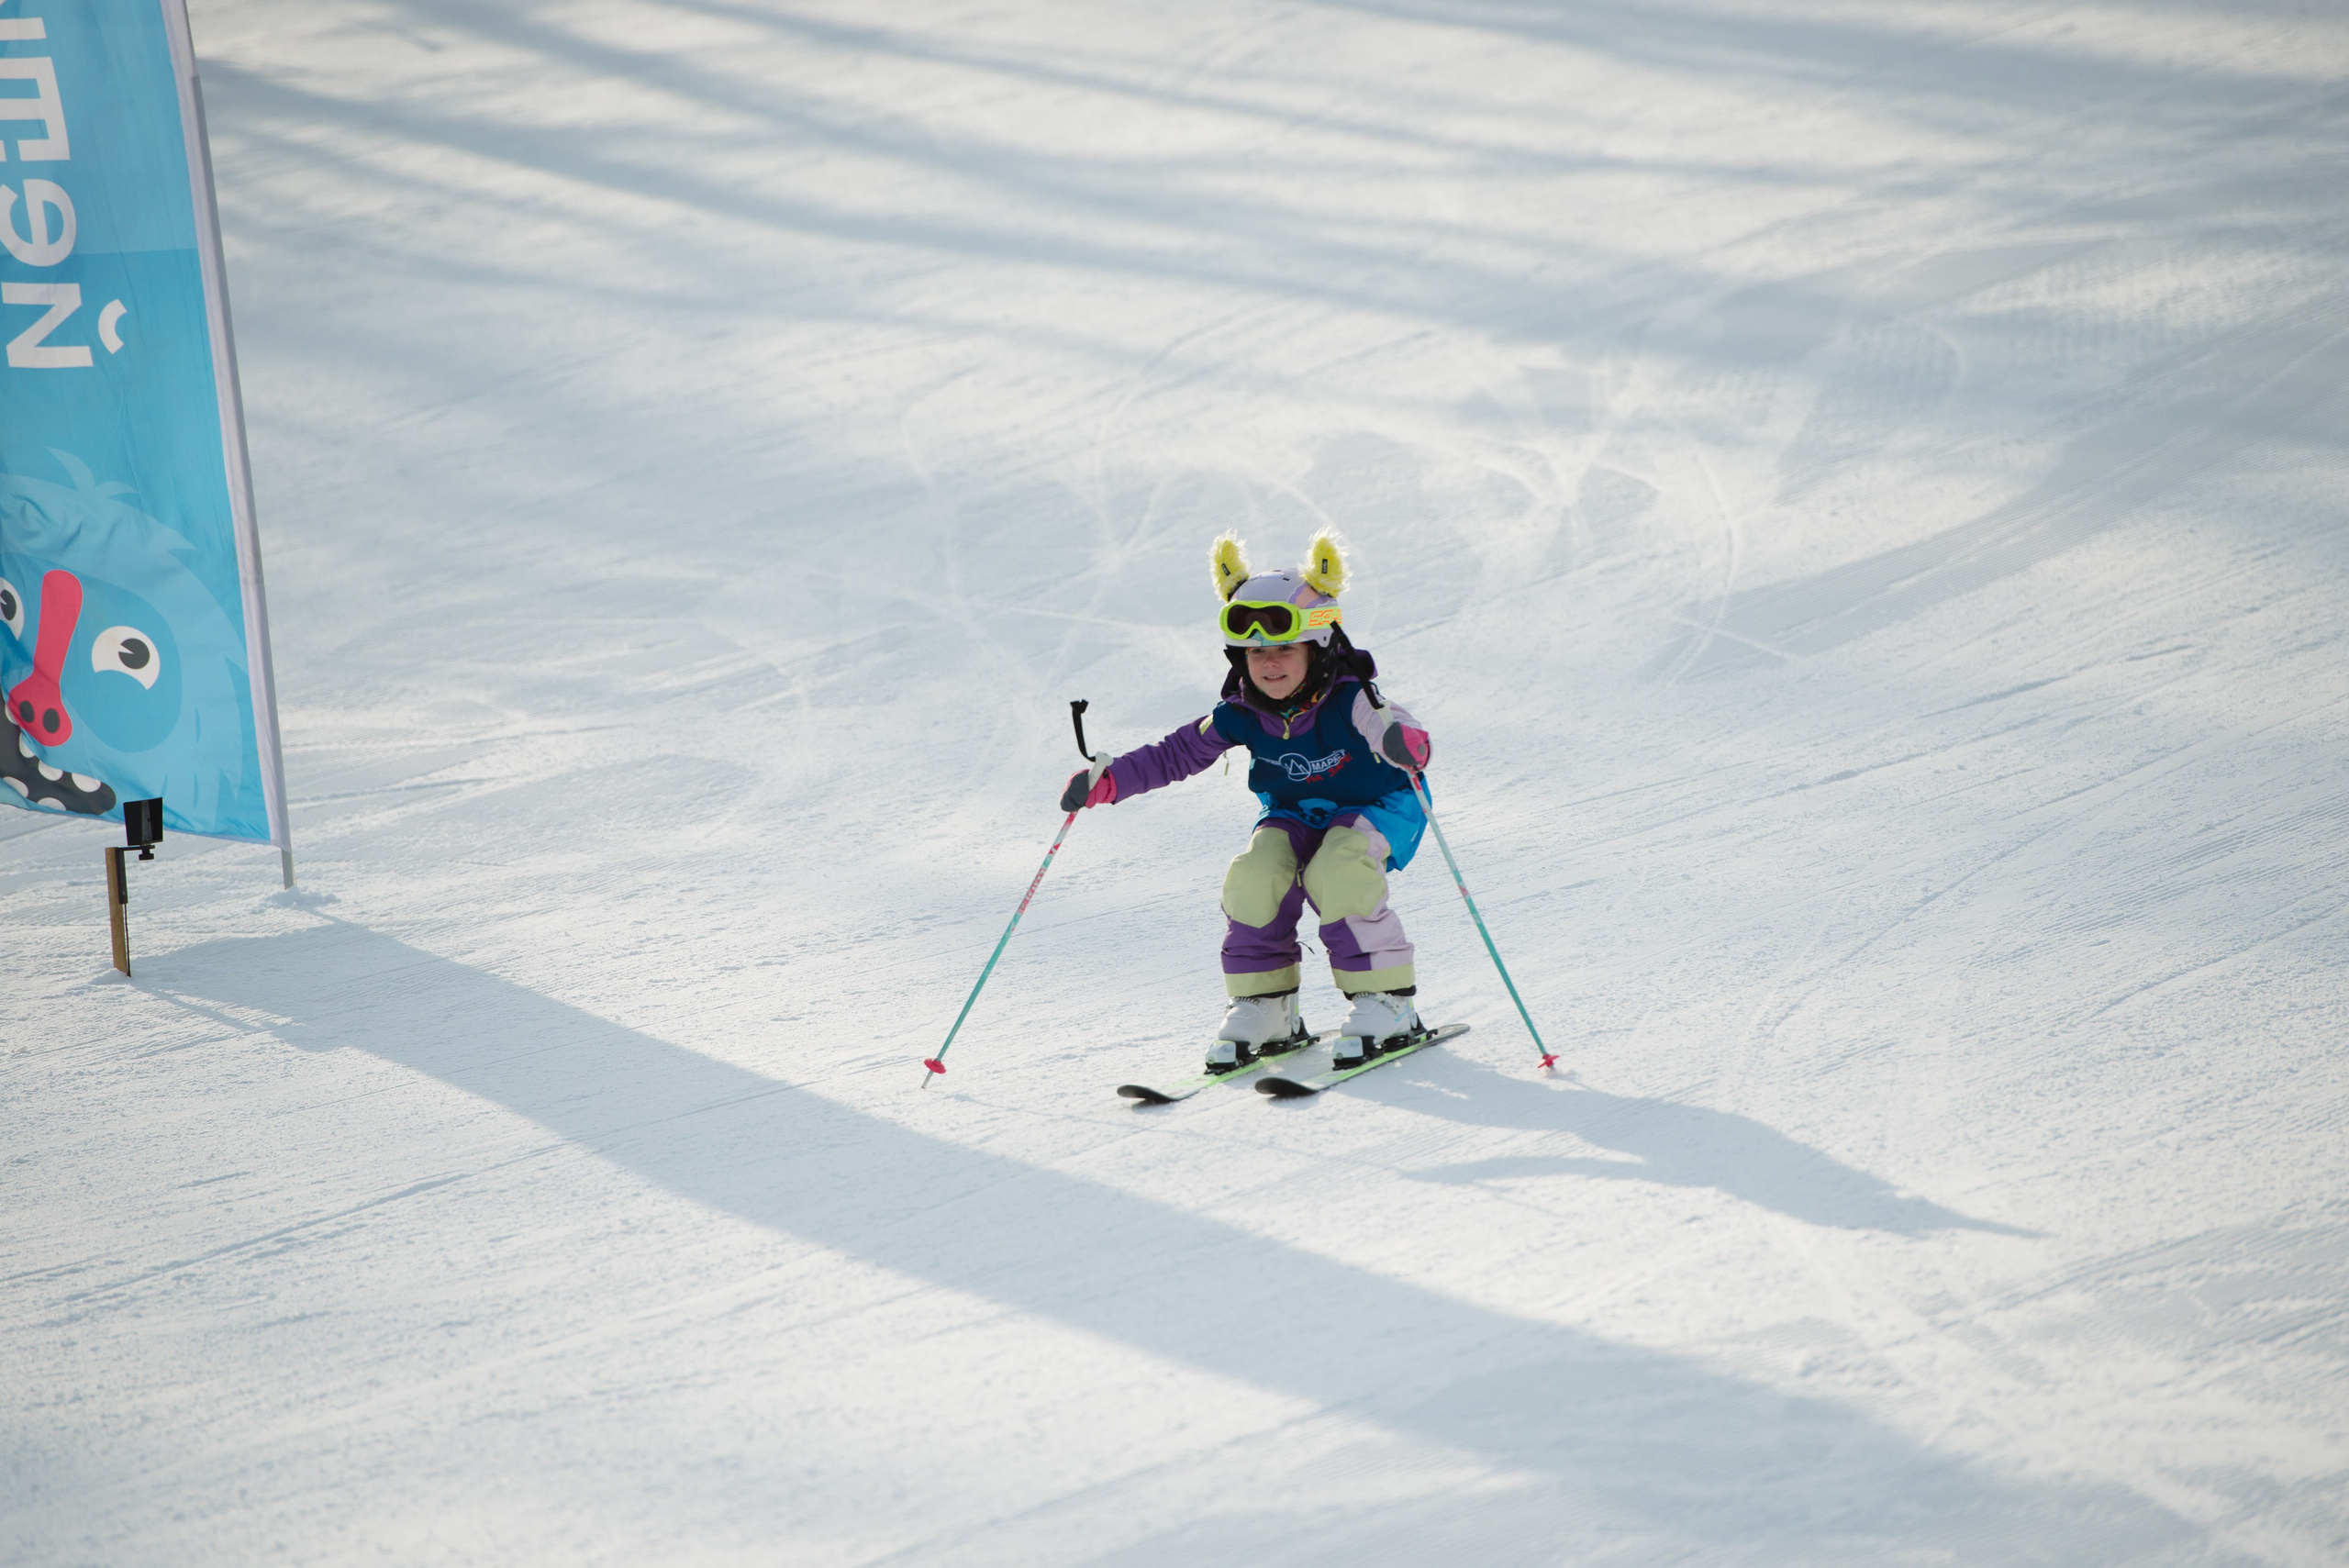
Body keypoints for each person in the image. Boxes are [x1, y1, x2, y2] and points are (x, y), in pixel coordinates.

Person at [1061, 530, 1433, 1072]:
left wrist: (1405, 743)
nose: (1269, 663)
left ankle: (1389, 1001)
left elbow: (1391, 724)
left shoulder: (1350, 698)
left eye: (1284, 649)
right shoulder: (1241, 711)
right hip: (1295, 812)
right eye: (1256, 652)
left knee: (1339, 869)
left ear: (1319, 649)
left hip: (1381, 804)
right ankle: (1266, 1006)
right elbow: (1175, 753)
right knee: (1255, 876)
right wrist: (1108, 781)